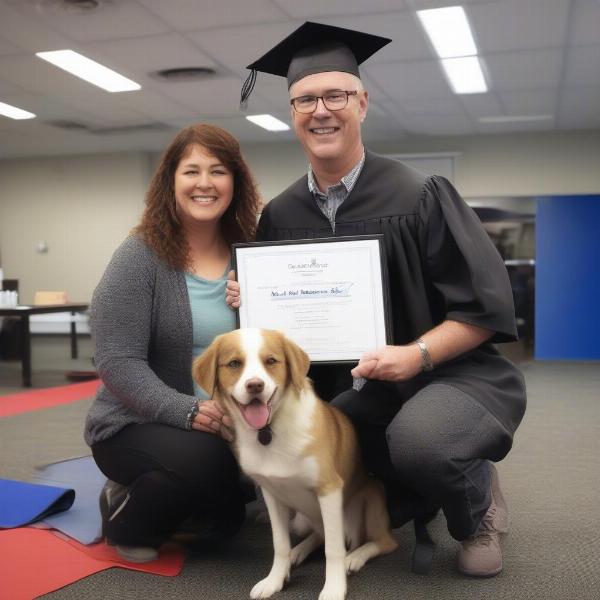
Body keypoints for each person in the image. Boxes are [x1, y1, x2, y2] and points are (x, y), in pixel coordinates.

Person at [228, 22, 527, 577]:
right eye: (305, 99)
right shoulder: (281, 216)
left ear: (362, 103)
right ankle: (418, 492)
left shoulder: (421, 194)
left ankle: (478, 502)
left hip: (446, 375)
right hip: (355, 388)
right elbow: (276, 337)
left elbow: (483, 310)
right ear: (292, 113)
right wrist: (250, 299)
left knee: (421, 444)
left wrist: (414, 355)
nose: (321, 110)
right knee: (313, 451)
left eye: (335, 95)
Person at [84, 123, 261, 562]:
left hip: (234, 420)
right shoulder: (140, 255)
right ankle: (123, 514)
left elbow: (270, 345)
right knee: (211, 467)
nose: (205, 183)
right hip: (138, 421)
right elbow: (116, 361)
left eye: (218, 171)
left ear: (235, 183)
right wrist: (187, 411)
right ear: (171, 181)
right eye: (192, 171)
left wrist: (259, 307)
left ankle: (192, 500)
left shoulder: (251, 251)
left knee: (229, 519)